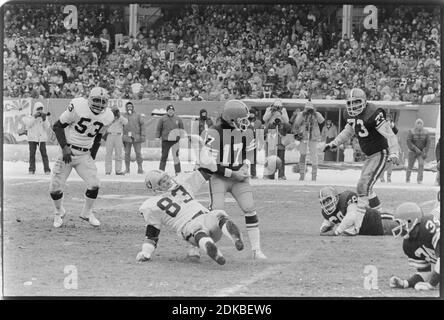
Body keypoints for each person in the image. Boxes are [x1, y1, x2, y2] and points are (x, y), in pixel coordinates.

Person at [136, 168, 244, 265]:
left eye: (166, 178)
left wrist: (146, 252)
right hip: (188, 225)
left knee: (218, 214)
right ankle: (215, 252)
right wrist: (146, 252)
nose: (167, 181)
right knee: (200, 226)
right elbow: (152, 233)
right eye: (163, 182)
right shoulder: (153, 204)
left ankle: (235, 239)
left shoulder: (154, 203)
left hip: (203, 218)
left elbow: (152, 235)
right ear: (156, 188)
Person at [204, 100, 267, 259]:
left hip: (239, 176)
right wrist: (233, 174)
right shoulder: (213, 132)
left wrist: (245, 166)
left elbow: (249, 153)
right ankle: (203, 246)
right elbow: (210, 164)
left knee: (249, 207)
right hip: (220, 177)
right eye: (242, 119)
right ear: (231, 118)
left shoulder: (247, 131)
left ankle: (256, 250)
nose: (246, 122)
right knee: (216, 214)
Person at [324, 88, 400, 214]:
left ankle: (361, 215)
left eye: (357, 102)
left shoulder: (372, 113)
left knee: (363, 185)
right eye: (350, 103)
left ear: (364, 101)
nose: (353, 106)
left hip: (381, 153)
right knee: (364, 187)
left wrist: (394, 152)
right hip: (371, 156)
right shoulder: (349, 115)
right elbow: (348, 131)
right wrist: (334, 143)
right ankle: (377, 215)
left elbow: (390, 134)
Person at [49, 87, 114, 228]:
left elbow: (98, 137)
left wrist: (92, 155)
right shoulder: (78, 106)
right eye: (96, 100)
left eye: (103, 101)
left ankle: (87, 212)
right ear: (90, 98)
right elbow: (57, 126)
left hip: (84, 154)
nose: (99, 104)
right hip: (68, 152)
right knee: (55, 188)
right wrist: (64, 147)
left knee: (95, 184)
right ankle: (58, 211)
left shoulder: (108, 116)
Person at [389, 202, 440, 291]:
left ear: (410, 220)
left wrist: (431, 284)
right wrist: (406, 283)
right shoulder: (408, 245)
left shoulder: (427, 226)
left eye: (401, 223)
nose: (399, 227)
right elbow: (425, 273)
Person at [318, 186, 398, 236]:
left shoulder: (346, 197)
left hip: (377, 221)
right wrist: (324, 228)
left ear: (335, 197)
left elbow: (351, 216)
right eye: (324, 202)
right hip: (371, 231)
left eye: (328, 200)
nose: (327, 204)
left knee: (402, 224)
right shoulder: (326, 213)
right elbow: (327, 224)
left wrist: (337, 231)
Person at [294, 100, 324, 181]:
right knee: (302, 155)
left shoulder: (316, 114)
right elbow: (297, 123)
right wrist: (303, 113)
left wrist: (315, 113)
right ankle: (302, 175)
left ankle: (314, 176)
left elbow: (322, 120)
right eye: (307, 108)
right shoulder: (302, 114)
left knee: (314, 156)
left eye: (310, 108)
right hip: (303, 137)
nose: (309, 110)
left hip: (313, 137)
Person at [22, 101, 51, 175]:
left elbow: (47, 127)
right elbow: (28, 124)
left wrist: (44, 119)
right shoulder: (30, 116)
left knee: (44, 154)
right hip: (32, 138)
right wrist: (34, 117)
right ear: (35, 109)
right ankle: (31, 169)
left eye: (41, 109)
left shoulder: (44, 117)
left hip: (41, 139)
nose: (40, 110)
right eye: (38, 109)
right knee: (32, 154)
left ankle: (47, 170)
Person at [156, 104, 184, 175]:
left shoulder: (178, 119)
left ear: (174, 111)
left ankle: (178, 172)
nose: (170, 112)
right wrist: (157, 137)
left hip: (175, 141)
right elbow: (158, 129)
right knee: (164, 156)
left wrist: (182, 136)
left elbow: (181, 129)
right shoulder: (162, 119)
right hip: (166, 140)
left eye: (172, 110)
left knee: (176, 157)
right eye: (169, 110)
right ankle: (161, 171)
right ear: (167, 111)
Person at [264, 114, 292, 180]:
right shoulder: (271, 125)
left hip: (281, 146)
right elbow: (265, 132)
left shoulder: (284, 125)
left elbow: (290, 128)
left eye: (278, 118)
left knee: (281, 161)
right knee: (272, 161)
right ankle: (271, 175)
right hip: (272, 146)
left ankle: (281, 175)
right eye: (275, 118)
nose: (277, 120)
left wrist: (282, 122)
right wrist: (272, 125)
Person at [123, 101, 146, 174]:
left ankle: (140, 168)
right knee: (127, 153)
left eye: (131, 106)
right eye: (128, 106)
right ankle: (127, 169)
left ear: (133, 107)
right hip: (127, 137)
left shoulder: (138, 115)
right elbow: (120, 126)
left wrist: (143, 135)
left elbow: (143, 125)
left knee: (138, 153)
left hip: (136, 137)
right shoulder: (123, 116)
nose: (129, 108)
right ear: (126, 108)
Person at [104, 106, 128, 175]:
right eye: (114, 111)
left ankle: (118, 170)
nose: (115, 112)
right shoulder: (109, 117)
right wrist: (112, 117)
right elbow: (105, 123)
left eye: (116, 111)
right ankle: (108, 171)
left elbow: (126, 122)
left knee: (119, 154)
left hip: (118, 136)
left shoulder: (120, 117)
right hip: (110, 135)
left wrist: (119, 116)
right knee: (108, 154)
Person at [406, 118, 430, 184]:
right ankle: (407, 179)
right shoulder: (411, 131)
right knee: (410, 165)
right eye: (418, 123)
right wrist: (415, 148)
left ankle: (419, 180)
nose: (419, 124)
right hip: (412, 151)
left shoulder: (426, 132)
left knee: (421, 164)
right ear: (415, 124)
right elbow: (408, 141)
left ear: (422, 124)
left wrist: (425, 151)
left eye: (420, 123)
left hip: (421, 152)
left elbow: (428, 143)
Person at [380, 114, 398, 182]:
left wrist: (392, 126)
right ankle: (381, 176)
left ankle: (389, 176)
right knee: (384, 162)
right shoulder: (382, 125)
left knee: (391, 162)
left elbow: (396, 132)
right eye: (386, 119)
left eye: (389, 119)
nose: (388, 120)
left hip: (392, 145)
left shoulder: (392, 125)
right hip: (384, 145)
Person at [247, 109, 264, 179]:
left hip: (254, 142)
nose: (251, 114)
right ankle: (243, 172)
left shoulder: (258, 122)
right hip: (246, 142)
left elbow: (260, 133)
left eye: (252, 113)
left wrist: (261, 143)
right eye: (250, 113)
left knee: (253, 159)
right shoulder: (245, 121)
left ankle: (253, 174)